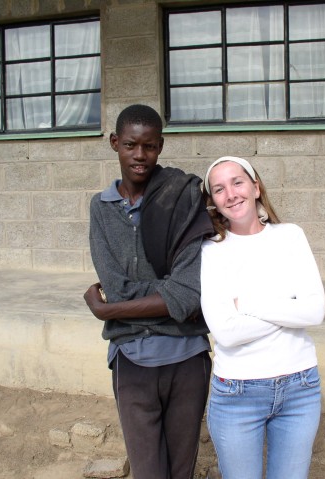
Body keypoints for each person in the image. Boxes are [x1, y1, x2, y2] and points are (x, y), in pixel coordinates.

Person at [83, 104, 214, 479]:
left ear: (160, 146)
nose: (140, 156)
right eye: (130, 145)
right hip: (132, 358)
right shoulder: (101, 208)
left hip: (188, 357)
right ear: (114, 144)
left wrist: (109, 310)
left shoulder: (184, 197)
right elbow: (116, 286)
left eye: (150, 146)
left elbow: (189, 292)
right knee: (148, 472)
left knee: (180, 469)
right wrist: (169, 296)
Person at [200, 156, 325, 479]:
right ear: (213, 201)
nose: (230, 194)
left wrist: (248, 303)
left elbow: (314, 310)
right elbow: (226, 332)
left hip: (300, 387)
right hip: (236, 395)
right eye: (219, 189)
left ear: (256, 187)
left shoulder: (290, 236)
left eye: (237, 182)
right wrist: (287, 307)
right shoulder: (211, 251)